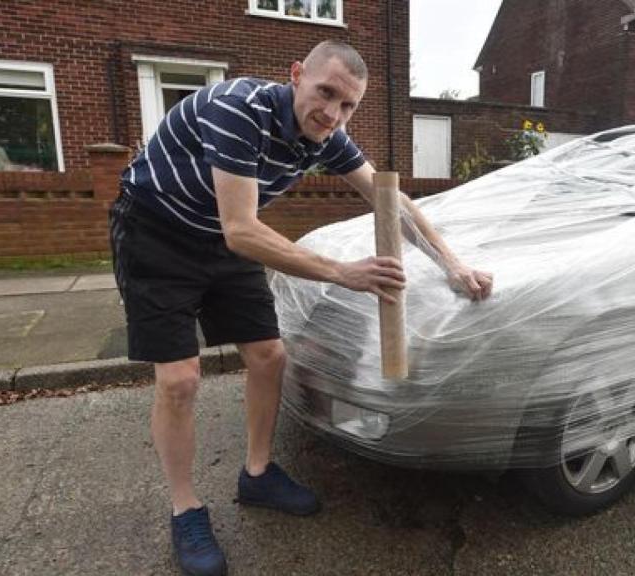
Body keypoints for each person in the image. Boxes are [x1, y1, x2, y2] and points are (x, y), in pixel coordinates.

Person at [109, 40, 492, 576]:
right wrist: (343, 273)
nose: (332, 113)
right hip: (156, 234)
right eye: (325, 93)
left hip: (222, 238)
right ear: (296, 76)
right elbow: (242, 230)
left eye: (348, 105)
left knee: (270, 356)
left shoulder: (327, 135)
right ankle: (185, 509)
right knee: (179, 380)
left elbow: (391, 201)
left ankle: (258, 474)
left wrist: (452, 264)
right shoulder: (237, 110)